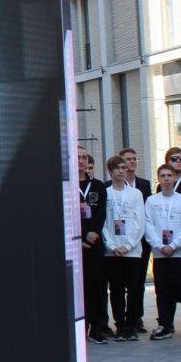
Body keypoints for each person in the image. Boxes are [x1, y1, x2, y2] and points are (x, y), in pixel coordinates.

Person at [145, 165, 181, 341]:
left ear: (175, 178)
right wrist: (160, 245)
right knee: (163, 291)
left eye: (169, 175)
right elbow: (148, 225)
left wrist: (174, 245)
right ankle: (165, 324)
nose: (166, 178)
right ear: (158, 179)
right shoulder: (151, 201)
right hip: (161, 254)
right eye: (163, 175)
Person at [103, 154, 145, 341]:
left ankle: (131, 325)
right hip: (112, 252)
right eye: (117, 168)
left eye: (123, 168)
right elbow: (102, 222)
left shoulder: (136, 194)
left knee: (134, 289)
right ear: (110, 172)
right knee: (116, 289)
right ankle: (120, 325)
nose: (121, 171)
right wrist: (111, 245)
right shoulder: (106, 193)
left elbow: (139, 222)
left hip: (132, 251)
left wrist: (128, 245)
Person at [117, 147, 152, 333]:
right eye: (128, 159)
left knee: (138, 281)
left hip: (140, 239)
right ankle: (121, 320)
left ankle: (137, 317)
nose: (132, 162)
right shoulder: (111, 185)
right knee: (119, 282)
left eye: (134, 159)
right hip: (118, 239)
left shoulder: (144, 185)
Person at [79, 147, 108, 344]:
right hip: (75, 243)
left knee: (96, 286)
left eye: (84, 157)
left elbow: (101, 213)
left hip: (94, 243)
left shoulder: (97, 185)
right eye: (77, 157)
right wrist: (81, 235)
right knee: (79, 288)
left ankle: (97, 328)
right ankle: (80, 327)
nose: (81, 161)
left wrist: (93, 233)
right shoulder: (66, 184)